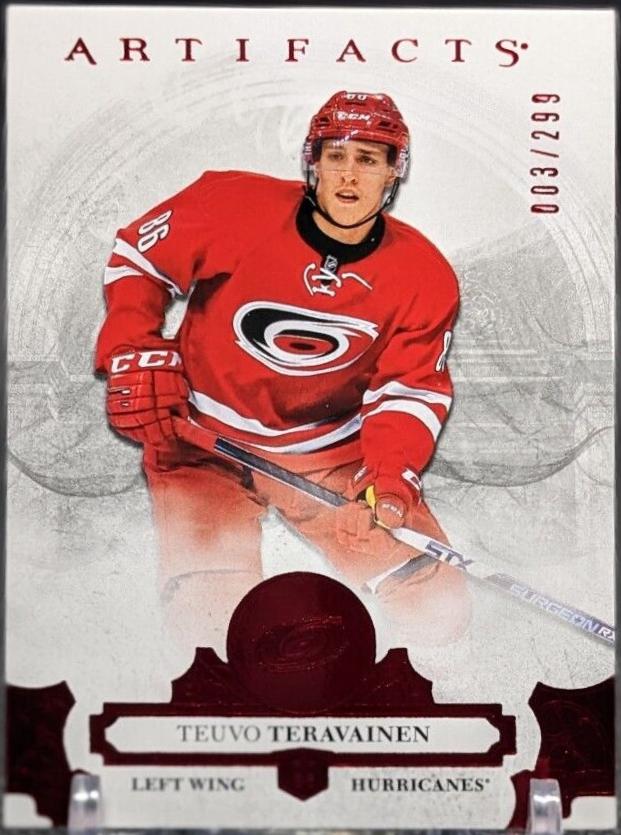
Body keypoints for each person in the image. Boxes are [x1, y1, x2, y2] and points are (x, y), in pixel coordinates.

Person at [95, 91, 471, 654]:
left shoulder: (424, 274)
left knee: (437, 607)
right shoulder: (232, 205)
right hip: (200, 442)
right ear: (311, 162)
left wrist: (390, 481)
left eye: (369, 159)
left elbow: (409, 390)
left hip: (328, 455)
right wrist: (131, 347)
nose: (349, 175)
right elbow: (139, 257)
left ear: (396, 172)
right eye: (336, 156)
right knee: (209, 628)